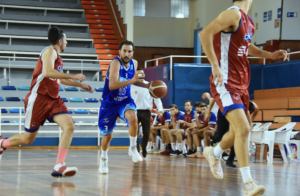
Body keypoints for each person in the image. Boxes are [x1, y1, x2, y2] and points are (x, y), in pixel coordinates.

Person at [199, 0, 287, 195]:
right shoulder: (233, 14)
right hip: (225, 82)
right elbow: (204, 33)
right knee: (244, 128)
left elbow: (247, 47)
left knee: (238, 132)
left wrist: (269, 56)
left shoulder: (248, 21)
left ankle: (213, 153)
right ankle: (248, 182)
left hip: (242, 83)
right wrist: (214, 65)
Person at [0, 26, 93, 178]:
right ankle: (2, 144)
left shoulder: (58, 58)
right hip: (39, 99)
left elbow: (59, 78)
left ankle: (59, 165)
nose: (67, 43)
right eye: (66, 41)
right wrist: (75, 76)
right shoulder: (49, 51)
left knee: (69, 125)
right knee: (28, 138)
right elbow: (48, 72)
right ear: (60, 41)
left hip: (54, 100)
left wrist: (80, 85)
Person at [98, 40, 144, 174]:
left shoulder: (134, 64)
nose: (126, 54)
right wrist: (132, 81)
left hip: (125, 100)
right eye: (124, 51)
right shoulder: (115, 63)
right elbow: (112, 85)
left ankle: (133, 148)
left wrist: (149, 86)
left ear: (132, 53)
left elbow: (134, 82)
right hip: (110, 103)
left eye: (129, 51)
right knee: (108, 137)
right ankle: (103, 158)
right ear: (119, 52)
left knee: (134, 118)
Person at [130, 67, 163, 158]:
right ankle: (136, 150)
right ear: (135, 75)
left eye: (141, 73)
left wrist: (160, 110)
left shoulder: (150, 85)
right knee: (134, 132)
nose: (140, 75)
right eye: (138, 74)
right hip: (134, 112)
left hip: (146, 112)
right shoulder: (131, 85)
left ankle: (144, 147)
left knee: (147, 133)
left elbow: (157, 98)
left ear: (144, 74)